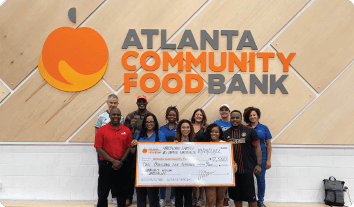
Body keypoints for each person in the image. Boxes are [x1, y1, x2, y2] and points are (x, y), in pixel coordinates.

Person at [94, 108, 132, 207]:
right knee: (103, 194)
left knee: (121, 193)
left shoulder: (126, 130)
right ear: (110, 116)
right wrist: (113, 161)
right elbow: (98, 148)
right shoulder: (102, 130)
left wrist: (120, 161)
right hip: (106, 166)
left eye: (118, 115)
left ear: (120, 116)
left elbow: (128, 147)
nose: (116, 116)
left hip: (121, 165)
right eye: (113, 114)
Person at [224, 110, 262, 207]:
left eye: (237, 117)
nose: (235, 119)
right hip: (233, 171)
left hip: (248, 169)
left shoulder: (250, 131)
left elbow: (257, 147)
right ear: (230, 119)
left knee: (251, 197)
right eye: (232, 118)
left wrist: (259, 164)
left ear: (241, 119)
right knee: (237, 197)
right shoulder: (226, 133)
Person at [131, 113, 167, 207]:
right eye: (147, 122)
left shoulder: (160, 134)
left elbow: (165, 151)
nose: (149, 124)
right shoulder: (140, 134)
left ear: (155, 123)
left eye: (151, 122)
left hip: (154, 170)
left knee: (153, 195)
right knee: (141, 194)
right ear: (144, 123)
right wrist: (132, 145)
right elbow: (133, 152)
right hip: (141, 170)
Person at [124, 95, 151, 206]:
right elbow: (125, 132)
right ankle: (128, 197)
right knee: (130, 175)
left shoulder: (150, 116)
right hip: (132, 149)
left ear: (146, 103)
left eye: (143, 101)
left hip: (145, 151)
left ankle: (145, 199)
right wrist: (131, 147)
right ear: (137, 103)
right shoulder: (130, 116)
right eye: (139, 101)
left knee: (145, 174)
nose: (141, 103)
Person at [243, 107, 272, 207]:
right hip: (248, 158)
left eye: (254, 115)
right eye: (250, 115)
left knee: (260, 180)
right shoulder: (245, 128)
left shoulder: (264, 128)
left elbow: (268, 145)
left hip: (262, 158)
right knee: (248, 180)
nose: (252, 117)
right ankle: (251, 200)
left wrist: (268, 160)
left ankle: (260, 201)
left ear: (258, 116)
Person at [204, 124, 237, 207]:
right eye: (211, 132)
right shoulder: (204, 145)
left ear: (220, 133)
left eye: (216, 132)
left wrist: (234, 163)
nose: (213, 133)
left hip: (222, 175)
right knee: (211, 200)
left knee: (220, 200)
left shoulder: (226, 144)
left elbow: (230, 158)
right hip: (209, 175)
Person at [159, 106, 179, 207]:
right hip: (164, 157)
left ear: (176, 116)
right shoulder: (162, 128)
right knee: (163, 178)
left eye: (174, 115)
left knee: (174, 178)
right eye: (170, 115)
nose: (172, 116)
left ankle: (173, 198)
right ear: (167, 116)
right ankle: (162, 198)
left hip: (176, 157)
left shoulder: (180, 127)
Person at [212, 105, 231, 207]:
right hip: (217, 152)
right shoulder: (216, 123)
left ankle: (226, 199)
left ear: (229, 112)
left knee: (226, 177)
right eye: (222, 110)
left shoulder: (231, 123)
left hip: (228, 150)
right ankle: (219, 199)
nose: (224, 112)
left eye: (226, 110)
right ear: (219, 112)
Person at [173, 119, 195, 207]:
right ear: (179, 129)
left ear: (190, 129)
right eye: (183, 127)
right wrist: (172, 146)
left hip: (190, 173)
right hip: (177, 173)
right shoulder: (174, 140)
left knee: (188, 196)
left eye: (188, 127)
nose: (186, 129)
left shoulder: (194, 141)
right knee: (178, 196)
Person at [191, 109, 208, 206]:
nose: (198, 116)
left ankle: (200, 198)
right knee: (193, 177)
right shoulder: (189, 126)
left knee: (202, 177)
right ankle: (194, 197)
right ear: (194, 116)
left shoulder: (206, 128)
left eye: (200, 115)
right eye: (196, 114)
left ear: (203, 117)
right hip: (191, 156)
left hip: (203, 156)